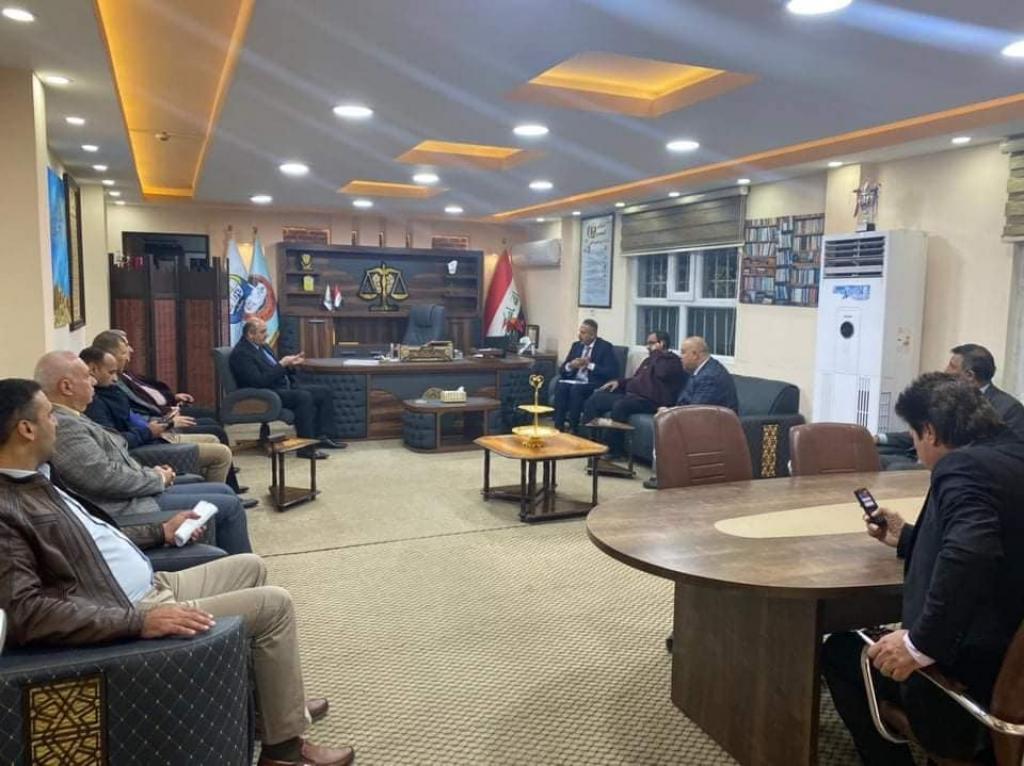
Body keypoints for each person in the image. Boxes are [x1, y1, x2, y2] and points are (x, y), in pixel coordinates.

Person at [0, 378, 353, 766]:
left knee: (250, 567)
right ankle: (283, 750)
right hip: (129, 607)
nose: (57, 422)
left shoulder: (38, 478)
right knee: (274, 605)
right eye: (49, 415)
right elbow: (25, 613)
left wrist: (160, 531)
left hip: (150, 582)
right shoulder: (7, 507)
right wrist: (137, 621)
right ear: (26, 429)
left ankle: (264, 709)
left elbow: (95, 536)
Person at [822, 372, 1024, 765]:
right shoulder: (1012, 456)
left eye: (914, 437)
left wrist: (920, 645)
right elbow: (1000, 541)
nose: (915, 450)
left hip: (966, 686)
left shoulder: (962, 467)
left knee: (841, 652)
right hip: (1011, 669)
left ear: (929, 431)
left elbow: (973, 552)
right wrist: (906, 537)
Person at [34, 351, 253, 556]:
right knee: (229, 507)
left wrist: (151, 472)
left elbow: (114, 456)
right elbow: (103, 477)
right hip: (126, 508)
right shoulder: (64, 426)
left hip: (135, 492)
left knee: (224, 491)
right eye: (86, 376)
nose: (92, 381)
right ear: (66, 386)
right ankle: (243, 573)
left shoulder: (74, 415)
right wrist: (156, 478)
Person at [91, 331, 253, 504]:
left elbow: (143, 403)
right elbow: (117, 440)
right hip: (147, 443)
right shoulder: (99, 399)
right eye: (124, 351)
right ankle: (218, 501)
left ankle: (223, 493)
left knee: (213, 434)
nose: (130, 353)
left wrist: (166, 411)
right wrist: (160, 423)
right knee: (219, 448)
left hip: (155, 429)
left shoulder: (115, 384)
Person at [81, 346, 232, 485]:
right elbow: (114, 442)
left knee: (213, 439)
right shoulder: (94, 403)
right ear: (93, 369)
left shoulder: (112, 390)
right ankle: (216, 494)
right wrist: (152, 429)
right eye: (111, 373)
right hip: (139, 450)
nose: (115, 378)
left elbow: (135, 416)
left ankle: (209, 489)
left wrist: (162, 421)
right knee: (221, 453)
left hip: (150, 436)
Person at [877, 343, 1024, 468]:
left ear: (970, 376)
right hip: (915, 452)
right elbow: (922, 430)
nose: (946, 370)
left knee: (894, 467)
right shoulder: (948, 397)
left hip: (955, 466)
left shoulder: (1010, 409)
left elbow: (1007, 456)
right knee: (874, 453)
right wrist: (879, 438)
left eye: (952, 366)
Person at [230, 319, 346, 459]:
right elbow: (258, 381)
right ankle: (305, 448)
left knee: (323, 391)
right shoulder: (242, 353)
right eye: (263, 332)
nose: (267, 335)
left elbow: (274, 369)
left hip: (280, 386)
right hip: (264, 394)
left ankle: (323, 437)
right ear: (250, 334)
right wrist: (281, 365)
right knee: (303, 397)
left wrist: (290, 365)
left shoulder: (263, 347)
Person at [643, 336, 739, 489]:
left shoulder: (710, 376)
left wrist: (670, 413)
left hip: (715, 427)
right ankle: (663, 474)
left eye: (683, 352)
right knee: (662, 418)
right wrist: (670, 411)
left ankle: (664, 477)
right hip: (703, 420)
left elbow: (696, 410)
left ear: (695, 354)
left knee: (663, 422)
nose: (680, 357)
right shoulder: (700, 371)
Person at [581, 331, 685, 458]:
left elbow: (662, 373)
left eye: (651, 343)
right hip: (634, 396)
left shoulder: (673, 361)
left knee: (621, 405)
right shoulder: (649, 360)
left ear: (661, 343)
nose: (647, 347)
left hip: (652, 401)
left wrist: (656, 353)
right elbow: (636, 379)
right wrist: (619, 382)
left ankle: (614, 449)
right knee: (597, 398)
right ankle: (590, 442)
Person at [551, 319, 618, 434]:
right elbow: (562, 370)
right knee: (561, 385)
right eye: (580, 332)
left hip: (593, 383)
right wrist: (571, 365)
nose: (579, 335)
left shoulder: (605, 347)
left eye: (583, 333)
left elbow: (611, 372)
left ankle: (573, 427)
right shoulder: (576, 346)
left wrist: (589, 365)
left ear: (593, 335)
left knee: (576, 389)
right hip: (575, 381)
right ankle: (558, 427)